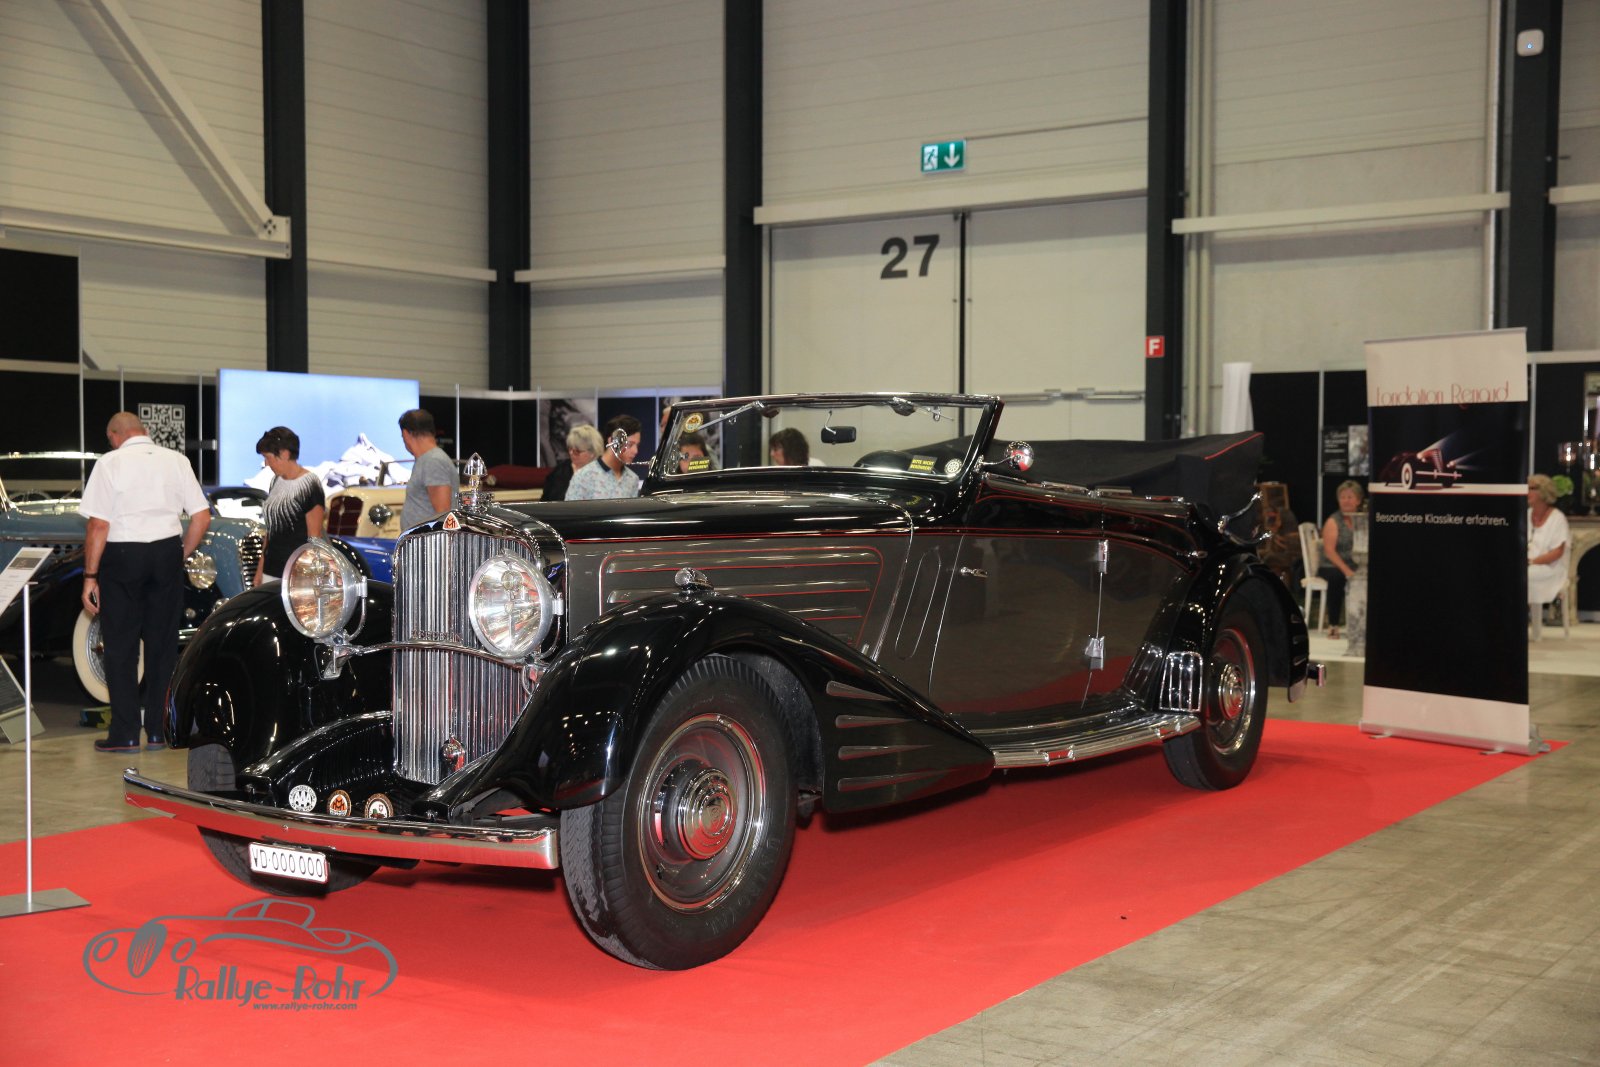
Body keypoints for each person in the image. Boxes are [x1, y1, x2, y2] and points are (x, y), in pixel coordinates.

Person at [78, 412, 212, 753]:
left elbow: (98, 526)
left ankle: (124, 734)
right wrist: (179, 554)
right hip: (166, 554)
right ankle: (158, 730)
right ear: (145, 431)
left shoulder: (109, 463)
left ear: (114, 435)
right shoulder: (177, 460)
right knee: (162, 646)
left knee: (121, 647)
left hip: (123, 556)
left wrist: (90, 576)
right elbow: (201, 517)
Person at [253, 426, 325, 584]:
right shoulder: (275, 481)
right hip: (270, 569)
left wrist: (308, 578)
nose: (266, 463)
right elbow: (271, 531)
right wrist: (260, 568)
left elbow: (315, 538)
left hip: (297, 573)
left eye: (268, 457)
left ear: (284, 454)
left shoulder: (310, 484)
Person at [398, 408, 459, 527]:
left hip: (428, 539)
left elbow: (443, 514)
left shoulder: (433, 461)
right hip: (420, 538)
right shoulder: (426, 459)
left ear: (406, 434)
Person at [1319, 479, 1363, 639]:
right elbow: (1329, 551)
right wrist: (1347, 571)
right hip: (1331, 565)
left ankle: (1363, 624)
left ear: (1358, 500)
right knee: (1337, 578)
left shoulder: (1362, 520)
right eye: (1343, 497)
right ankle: (1333, 624)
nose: (1346, 501)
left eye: (1350, 497)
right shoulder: (1333, 521)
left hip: (1355, 564)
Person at [567, 414, 642, 500]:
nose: (635, 451)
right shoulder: (584, 476)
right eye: (630, 445)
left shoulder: (632, 479)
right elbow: (569, 508)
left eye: (637, 445)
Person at [1527, 473, 1570, 622]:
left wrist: (1532, 562)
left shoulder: (1557, 518)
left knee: (1525, 576)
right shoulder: (1526, 515)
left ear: (1544, 492)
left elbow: (1558, 552)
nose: (1527, 492)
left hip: (1551, 568)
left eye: (1532, 488)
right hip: (1527, 565)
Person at [541, 424, 603, 502]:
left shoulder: (603, 472)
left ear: (592, 453)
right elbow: (546, 501)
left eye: (577, 451)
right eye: (570, 449)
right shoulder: (560, 471)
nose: (571, 453)